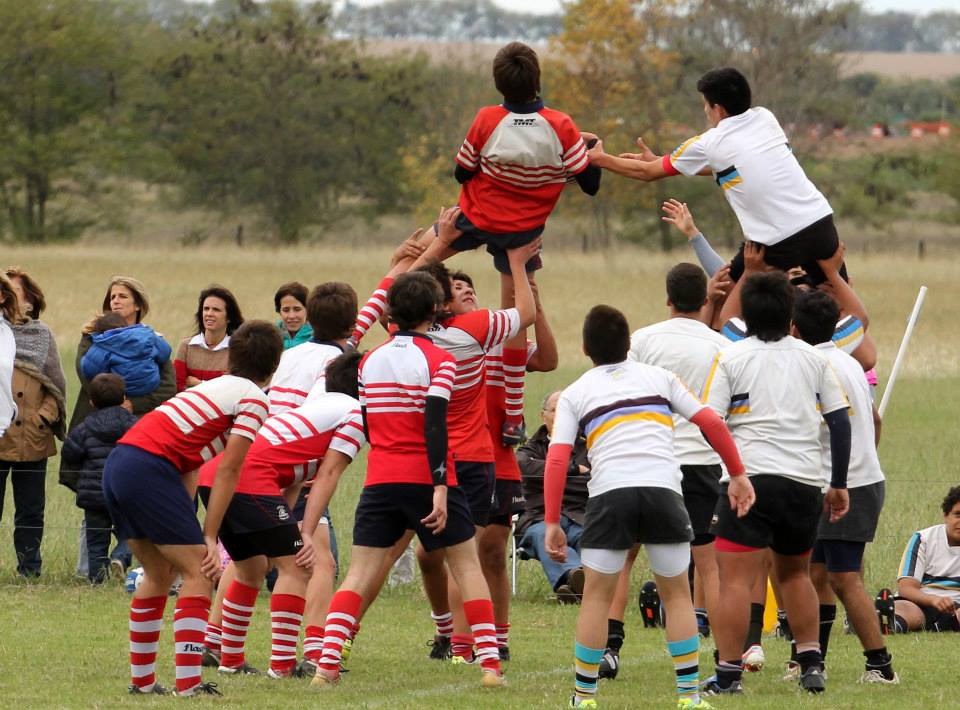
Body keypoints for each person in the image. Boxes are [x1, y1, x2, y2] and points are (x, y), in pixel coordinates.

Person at [543, 305, 752, 710]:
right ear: (629, 345)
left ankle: (584, 697)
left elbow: (556, 457)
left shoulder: (575, 392)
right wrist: (738, 473)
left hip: (609, 495)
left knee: (596, 598)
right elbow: (711, 422)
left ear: (585, 348)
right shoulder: (660, 378)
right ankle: (689, 696)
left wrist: (552, 520)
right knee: (676, 595)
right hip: (662, 492)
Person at [307, 272, 504, 689]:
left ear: (392, 311)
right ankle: (489, 666)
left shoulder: (369, 360)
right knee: (466, 567)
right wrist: (438, 486)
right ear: (435, 310)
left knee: (358, 574)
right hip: (429, 476)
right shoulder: (441, 360)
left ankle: (325, 667)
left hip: (380, 478)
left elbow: (371, 421)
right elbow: (435, 425)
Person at [101, 320, 282, 697]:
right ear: (274, 365)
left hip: (121, 462)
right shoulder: (254, 398)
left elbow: (190, 462)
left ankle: (144, 682)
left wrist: (186, 520)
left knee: (158, 571)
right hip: (149, 467)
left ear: (232, 356)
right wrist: (209, 537)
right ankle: (190, 684)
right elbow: (229, 468)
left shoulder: (209, 388)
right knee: (200, 570)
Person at [701, 271, 852, 696]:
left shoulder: (730, 358)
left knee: (734, 580)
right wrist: (837, 483)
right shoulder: (813, 358)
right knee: (795, 575)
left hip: (748, 482)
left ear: (745, 316)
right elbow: (840, 421)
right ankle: (810, 663)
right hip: (803, 483)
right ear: (791, 316)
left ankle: (728, 675)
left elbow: (710, 421)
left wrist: (734, 472)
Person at [587, 67, 845, 285]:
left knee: (723, 291)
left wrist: (602, 159)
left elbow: (646, 173)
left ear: (718, 109)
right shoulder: (766, 118)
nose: (705, 111)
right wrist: (660, 160)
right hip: (819, 220)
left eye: (705, 105)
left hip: (775, 240)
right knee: (840, 300)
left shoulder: (709, 142)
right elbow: (736, 165)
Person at [597, 263, 732, 679]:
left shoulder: (642, 340)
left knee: (625, 555)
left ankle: (610, 646)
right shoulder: (720, 345)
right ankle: (710, 637)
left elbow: (620, 389)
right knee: (707, 559)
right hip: (704, 461)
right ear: (707, 300)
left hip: (652, 459)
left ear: (668, 299)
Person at [196, 352, 365, 678]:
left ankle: (230, 661)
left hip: (214, 474)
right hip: (247, 478)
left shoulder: (314, 409)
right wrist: (303, 533)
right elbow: (328, 476)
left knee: (251, 566)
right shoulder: (355, 413)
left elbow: (294, 478)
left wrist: (290, 522)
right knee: (297, 567)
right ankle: (283, 666)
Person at [410, 42, 600, 279]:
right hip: (523, 232)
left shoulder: (487, 119)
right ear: (536, 79)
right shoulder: (561, 125)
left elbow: (462, 174)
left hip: (476, 218)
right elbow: (590, 186)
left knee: (413, 261)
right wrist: (595, 155)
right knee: (518, 308)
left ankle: (388, 305)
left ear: (498, 83)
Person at [790, 290, 898, 683]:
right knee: (815, 573)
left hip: (843, 487)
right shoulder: (849, 363)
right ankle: (810, 660)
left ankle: (880, 665)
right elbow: (875, 419)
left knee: (843, 577)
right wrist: (865, 460)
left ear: (794, 328)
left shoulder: (811, 367)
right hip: (855, 479)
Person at [0, 270, 67, 578]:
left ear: (29, 298)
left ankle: (30, 568)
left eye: (16, 291)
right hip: (0, 433)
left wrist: (44, 417)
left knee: (31, 509)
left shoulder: (42, 335)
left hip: (33, 437)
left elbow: (56, 385)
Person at [61, 374, 138, 584]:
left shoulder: (85, 428)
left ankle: (97, 580)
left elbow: (69, 454)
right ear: (124, 398)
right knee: (131, 533)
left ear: (92, 401)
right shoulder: (134, 425)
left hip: (94, 495)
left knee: (95, 541)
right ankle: (120, 557)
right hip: (126, 492)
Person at [515, 391, 590, 602]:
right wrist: (573, 470)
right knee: (542, 535)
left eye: (566, 411)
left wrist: (549, 475)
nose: (560, 416)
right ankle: (576, 576)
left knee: (591, 537)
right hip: (539, 518)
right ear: (543, 415)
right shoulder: (531, 447)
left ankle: (572, 586)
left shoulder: (590, 447)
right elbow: (522, 465)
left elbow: (595, 477)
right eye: (555, 410)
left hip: (580, 516)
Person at [881, 486, 960, 633]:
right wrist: (934, 600)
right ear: (946, 515)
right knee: (907, 609)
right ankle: (889, 623)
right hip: (922, 603)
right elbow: (906, 588)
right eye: (958, 515)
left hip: (957, 608)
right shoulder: (923, 539)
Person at [81, 312, 173, 397]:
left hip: (123, 389)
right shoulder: (146, 335)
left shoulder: (103, 345)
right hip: (150, 383)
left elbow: (89, 370)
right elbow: (165, 352)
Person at [174, 285, 244, 392]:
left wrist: (199, 384)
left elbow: (231, 392)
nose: (209, 314)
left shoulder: (237, 351)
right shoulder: (186, 347)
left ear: (229, 317)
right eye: (206, 309)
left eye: (216, 310)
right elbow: (178, 387)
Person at [274, 282, 312, 349]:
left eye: (297, 309)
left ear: (307, 309)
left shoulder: (318, 339)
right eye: (286, 310)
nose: (291, 316)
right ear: (279, 311)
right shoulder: (270, 337)